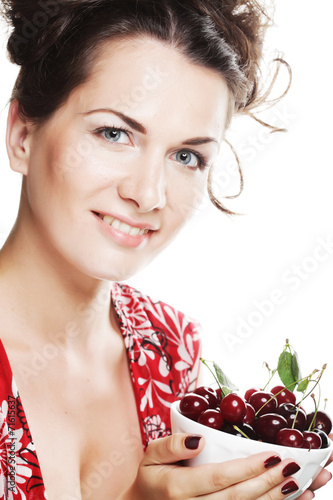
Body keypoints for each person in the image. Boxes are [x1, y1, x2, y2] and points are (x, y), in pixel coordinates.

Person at [0, 0, 331, 498]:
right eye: (114, 133)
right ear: (23, 134)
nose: (149, 194)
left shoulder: (174, 353)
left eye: (186, 156)